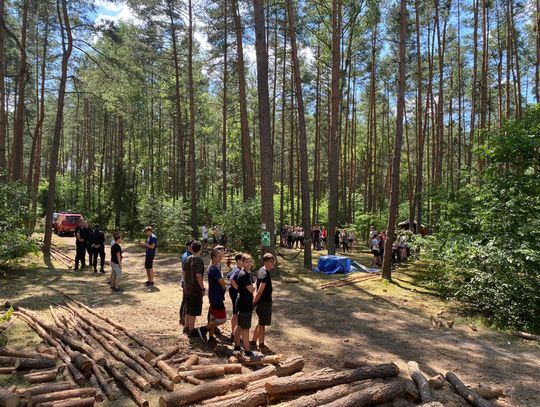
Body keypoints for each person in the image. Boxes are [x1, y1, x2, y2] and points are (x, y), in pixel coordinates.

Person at [198, 249, 227, 343]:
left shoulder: (213, 268)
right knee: (222, 319)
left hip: (213, 296)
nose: (220, 258)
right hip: (216, 297)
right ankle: (204, 329)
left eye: (220, 256)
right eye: (218, 256)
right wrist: (224, 287)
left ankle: (211, 337)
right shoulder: (214, 269)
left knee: (213, 317)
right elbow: (222, 283)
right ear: (213, 257)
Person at [251, 253, 275, 352]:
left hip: (262, 302)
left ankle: (253, 341)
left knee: (260, 322)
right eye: (271, 261)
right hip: (264, 302)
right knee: (262, 324)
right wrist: (254, 301)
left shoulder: (261, 270)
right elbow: (260, 290)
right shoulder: (264, 274)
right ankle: (261, 344)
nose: (273, 263)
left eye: (274, 261)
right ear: (266, 262)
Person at [233, 253, 255, 356]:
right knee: (245, 327)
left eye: (250, 261)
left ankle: (237, 345)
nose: (249, 263)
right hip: (244, 304)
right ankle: (247, 350)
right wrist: (253, 287)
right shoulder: (244, 274)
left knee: (240, 325)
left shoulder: (247, 273)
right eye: (246, 262)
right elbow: (250, 289)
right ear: (242, 263)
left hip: (243, 303)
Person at [183, 241, 205, 338]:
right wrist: (203, 288)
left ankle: (186, 326)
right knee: (193, 310)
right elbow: (198, 276)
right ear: (200, 249)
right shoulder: (199, 260)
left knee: (188, 308)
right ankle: (191, 330)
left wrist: (184, 283)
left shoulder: (188, 258)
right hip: (195, 289)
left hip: (187, 288)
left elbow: (183, 272)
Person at [227, 253, 243, 341]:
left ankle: (233, 332)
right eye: (242, 260)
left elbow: (229, 275)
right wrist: (237, 287)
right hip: (235, 292)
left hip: (233, 291)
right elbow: (232, 279)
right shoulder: (237, 270)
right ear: (238, 261)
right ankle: (234, 333)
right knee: (236, 313)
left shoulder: (235, 268)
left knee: (235, 312)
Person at [179, 240, 194, 331]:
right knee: (185, 300)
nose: (193, 246)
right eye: (192, 245)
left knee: (186, 300)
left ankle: (184, 319)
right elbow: (185, 271)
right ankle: (183, 319)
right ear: (188, 246)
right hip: (186, 282)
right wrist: (184, 282)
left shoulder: (191, 255)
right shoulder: (186, 256)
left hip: (188, 282)